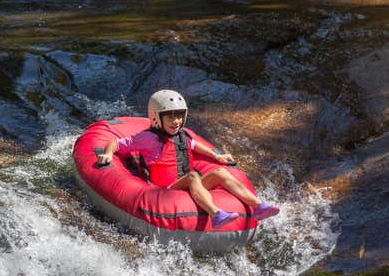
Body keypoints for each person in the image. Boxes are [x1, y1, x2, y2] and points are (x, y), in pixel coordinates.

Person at [96, 89, 280, 229]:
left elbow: (195, 146)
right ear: (156, 118)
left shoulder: (182, 135)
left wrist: (216, 155)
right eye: (170, 117)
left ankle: (258, 206)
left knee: (220, 172)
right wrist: (109, 153)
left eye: (179, 116)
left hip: (188, 184)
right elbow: (117, 143)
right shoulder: (148, 138)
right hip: (166, 190)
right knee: (193, 176)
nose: (176, 121)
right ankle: (216, 214)